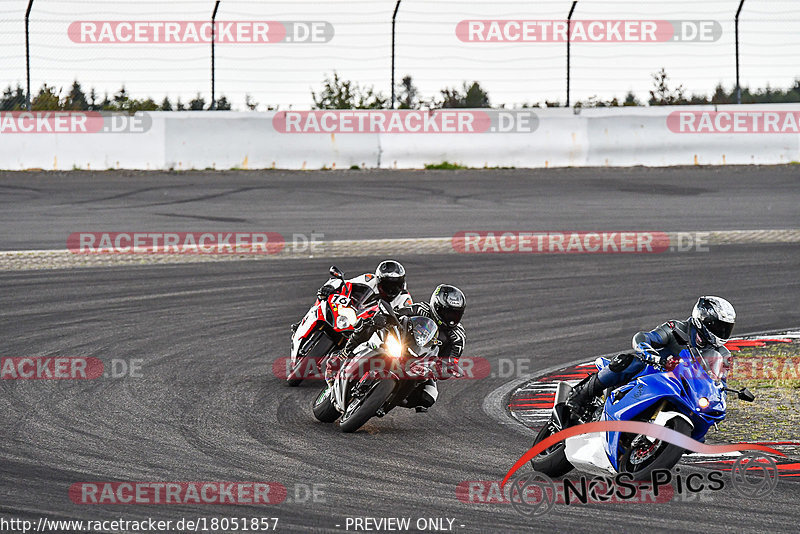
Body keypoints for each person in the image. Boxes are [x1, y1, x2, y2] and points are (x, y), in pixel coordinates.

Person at [566, 296, 736, 418]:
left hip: (682, 390)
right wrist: (651, 354)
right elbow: (645, 338)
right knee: (628, 362)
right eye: (719, 326)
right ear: (703, 319)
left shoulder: (722, 354)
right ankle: (580, 394)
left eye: (726, 328)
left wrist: (720, 395)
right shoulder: (676, 328)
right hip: (653, 371)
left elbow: (720, 383)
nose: (722, 332)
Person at [327, 284, 467, 412]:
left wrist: (443, 369)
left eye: (456, 313)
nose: (451, 318)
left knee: (428, 397)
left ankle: (386, 402)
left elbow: (451, 362)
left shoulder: (458, 337)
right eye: (447, 312)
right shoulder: (421, 309)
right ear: (436, 306)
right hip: (403, 344)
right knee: (368, 324)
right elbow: (397, 314)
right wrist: (384, 318)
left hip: (423, 363)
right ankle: (345, 353)